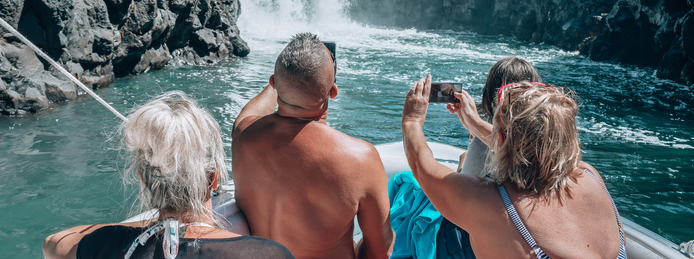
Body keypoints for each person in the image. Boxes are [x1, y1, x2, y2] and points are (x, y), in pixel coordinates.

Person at [42, 91, 295, 259]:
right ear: (213, 179)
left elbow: (52, 243)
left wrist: (144, 224)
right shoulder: (266, 254)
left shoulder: (107, 245)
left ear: (143, 179)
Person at [402, 76, 627, 259]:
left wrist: (412, 119)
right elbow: (531, 146)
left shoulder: (489, 202)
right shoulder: (589, 175)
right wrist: (473, 122)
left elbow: (422, 166)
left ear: (502, 137)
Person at [232, 32, 395, 259]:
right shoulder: (361, 159)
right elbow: (381, 252)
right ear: (333, 92)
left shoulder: (243, 135)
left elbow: (249, 113)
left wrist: (286, 79)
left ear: (273, 83)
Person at [449, 57, 542, 177]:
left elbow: (459, 191)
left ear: (490, 96)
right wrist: (473, 126)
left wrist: (462, 163)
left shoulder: (482, 147)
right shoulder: (544, 140)